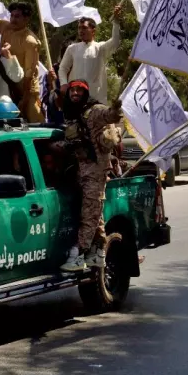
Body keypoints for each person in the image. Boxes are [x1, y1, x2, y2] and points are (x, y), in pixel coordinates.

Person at [58, 79, 124, 272]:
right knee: (95, 213)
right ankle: (99, 252)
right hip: (81, 171)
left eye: (80, 90)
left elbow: (110, 115)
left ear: (86, 93)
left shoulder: (94, 111)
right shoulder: (71, 113)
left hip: (95, 172)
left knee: (89, 215)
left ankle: (79, 254)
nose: (75, 93)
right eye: (72, 90)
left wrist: (116, 108)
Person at [56, 8, 122, 105]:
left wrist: (116, 21)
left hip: (95, 98)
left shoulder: (100, 48)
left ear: (93, 31)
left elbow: (115, 41)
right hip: (75, 97)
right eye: (79, 28)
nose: (80, 31)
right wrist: (63, 84)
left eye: (84, 28)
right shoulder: (72, 48)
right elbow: (63, 68)